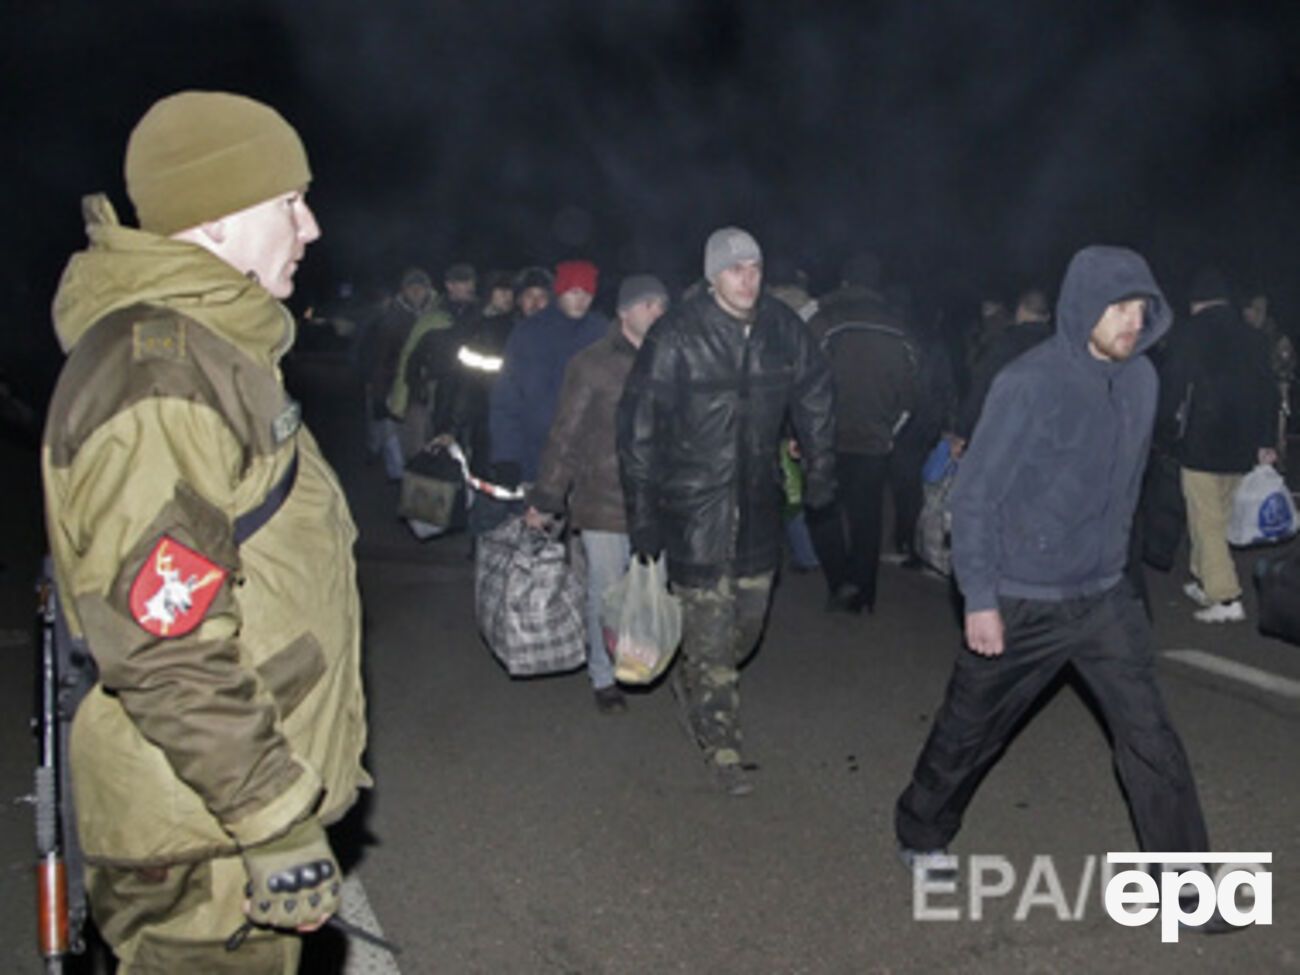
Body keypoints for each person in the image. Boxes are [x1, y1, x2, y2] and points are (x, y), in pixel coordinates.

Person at [41, 91, 370, 972]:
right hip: (200, 831)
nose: (310, 227)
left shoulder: (212, 353)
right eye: (288, 203)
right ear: (218, 219)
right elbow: (163, 643)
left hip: (208, 807)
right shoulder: (162, 378)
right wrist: (268, 813)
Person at [895, 247, 1213, 899]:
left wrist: (1134, 574)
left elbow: (1129, 485)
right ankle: (921, 829)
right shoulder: (1028, 383)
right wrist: (979, 596)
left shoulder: (1142, 381)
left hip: (1102, 597)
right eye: (1118, 308)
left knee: (1151, 735)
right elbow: (976, 494)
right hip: (1022, 596)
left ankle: (1188, 883)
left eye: (1140, 308)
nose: (1132, 321)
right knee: (970, 730)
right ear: (1081, 309)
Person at [618, 227, 835, 795]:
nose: (748, 278)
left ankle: (693, 671)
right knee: (713, 637)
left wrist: (821, 466)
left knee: (745, 629)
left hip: (758, 504)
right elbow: (638, 427)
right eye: (735, 268)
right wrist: (642, 512)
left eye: (756, 267)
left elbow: (815, 392)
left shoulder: (782, 330)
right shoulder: (677, 335)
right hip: (694, 509)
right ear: (713, 276)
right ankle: (723, 748)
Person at [528, 275, 670, 713]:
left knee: (652, 588)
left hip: (658, 500)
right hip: (602, 497)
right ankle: (603, 676)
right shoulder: (591, 364)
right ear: (625, 312)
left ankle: (641, 660)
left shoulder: (673, 358)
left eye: (662, 304)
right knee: (605, 593)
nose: (658, 311)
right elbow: (565, 434)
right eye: (648, 304)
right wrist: (547, 497)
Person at [1160, 268, 1277, 622]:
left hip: (1202, 441)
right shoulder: (1252, 336)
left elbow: (1173, 386)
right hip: (1243, 444)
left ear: (1196, 303)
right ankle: (1203, 578)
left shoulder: (1190, 333)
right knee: (1218, 517)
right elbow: (1267, 392)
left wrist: (1164, 431)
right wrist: (1266, 441)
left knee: (1207, 519)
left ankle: (1226, 598)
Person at [805, 253, 920, 613]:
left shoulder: (823, 322)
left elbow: (803, 380)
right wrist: (889, 431)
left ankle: (840, 581)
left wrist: (802, 430)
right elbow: (911, 393)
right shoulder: (898, 329)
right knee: (866, 517)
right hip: (874, 440)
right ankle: (863, 594)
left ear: (844, 282)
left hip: (827, 438)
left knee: (821, 511)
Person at [490, 259, 607, 487]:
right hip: (536, 454)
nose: (581, 300)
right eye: (574, 291)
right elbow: (507, 397)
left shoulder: (602, 333)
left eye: (587, 293)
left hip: (589, 461)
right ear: (560, 292)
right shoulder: (528, 334)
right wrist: (506, 456)